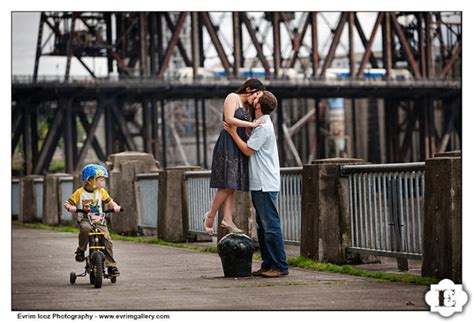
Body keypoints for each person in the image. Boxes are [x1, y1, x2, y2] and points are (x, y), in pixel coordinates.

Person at [223, 90, 289, 278]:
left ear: (259, 105)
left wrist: (233, 132)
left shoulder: (263, 127)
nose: (253, 100)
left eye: (257, 99)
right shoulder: (261, 125)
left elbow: (248, 150)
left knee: (270, 226)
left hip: (264, 183)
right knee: (262, 226)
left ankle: (280, 265)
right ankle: (268, 264)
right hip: (261, 183)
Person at [203, 79, 265, 235]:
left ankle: (228, 218)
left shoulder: (246, 106)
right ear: (249, 88)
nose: (256, 98)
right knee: (227, 183)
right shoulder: (232, 97)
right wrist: (251, 125)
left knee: (232, 183)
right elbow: (229, 119)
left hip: (238, 142)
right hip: (228, 143)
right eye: (256, 94)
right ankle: (211, 214)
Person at [64, 164, 122, 276]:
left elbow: (110, 202)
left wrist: (115, 206)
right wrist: (70, 207)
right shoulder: (80, 193)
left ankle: (111, 266)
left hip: (99, 220)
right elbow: (67, 203)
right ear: (90, 180)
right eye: (101, 180)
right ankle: (81, 249)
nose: (103, 183)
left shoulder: (101, 191)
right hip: (86, 219)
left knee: (107, 240)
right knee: (85, 229)